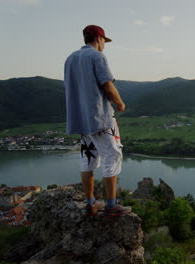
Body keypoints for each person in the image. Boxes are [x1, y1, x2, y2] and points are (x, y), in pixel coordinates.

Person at [64, 25, 130, 217]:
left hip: (81, 120)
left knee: (88, 157)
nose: (104, 45)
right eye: (104, 41)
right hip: (100, 118)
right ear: (99, 39)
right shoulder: (97, 56)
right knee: (113, 155)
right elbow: (107, 85)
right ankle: (111, 205)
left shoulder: (70, 59)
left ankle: (90, 203)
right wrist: (120, 103)